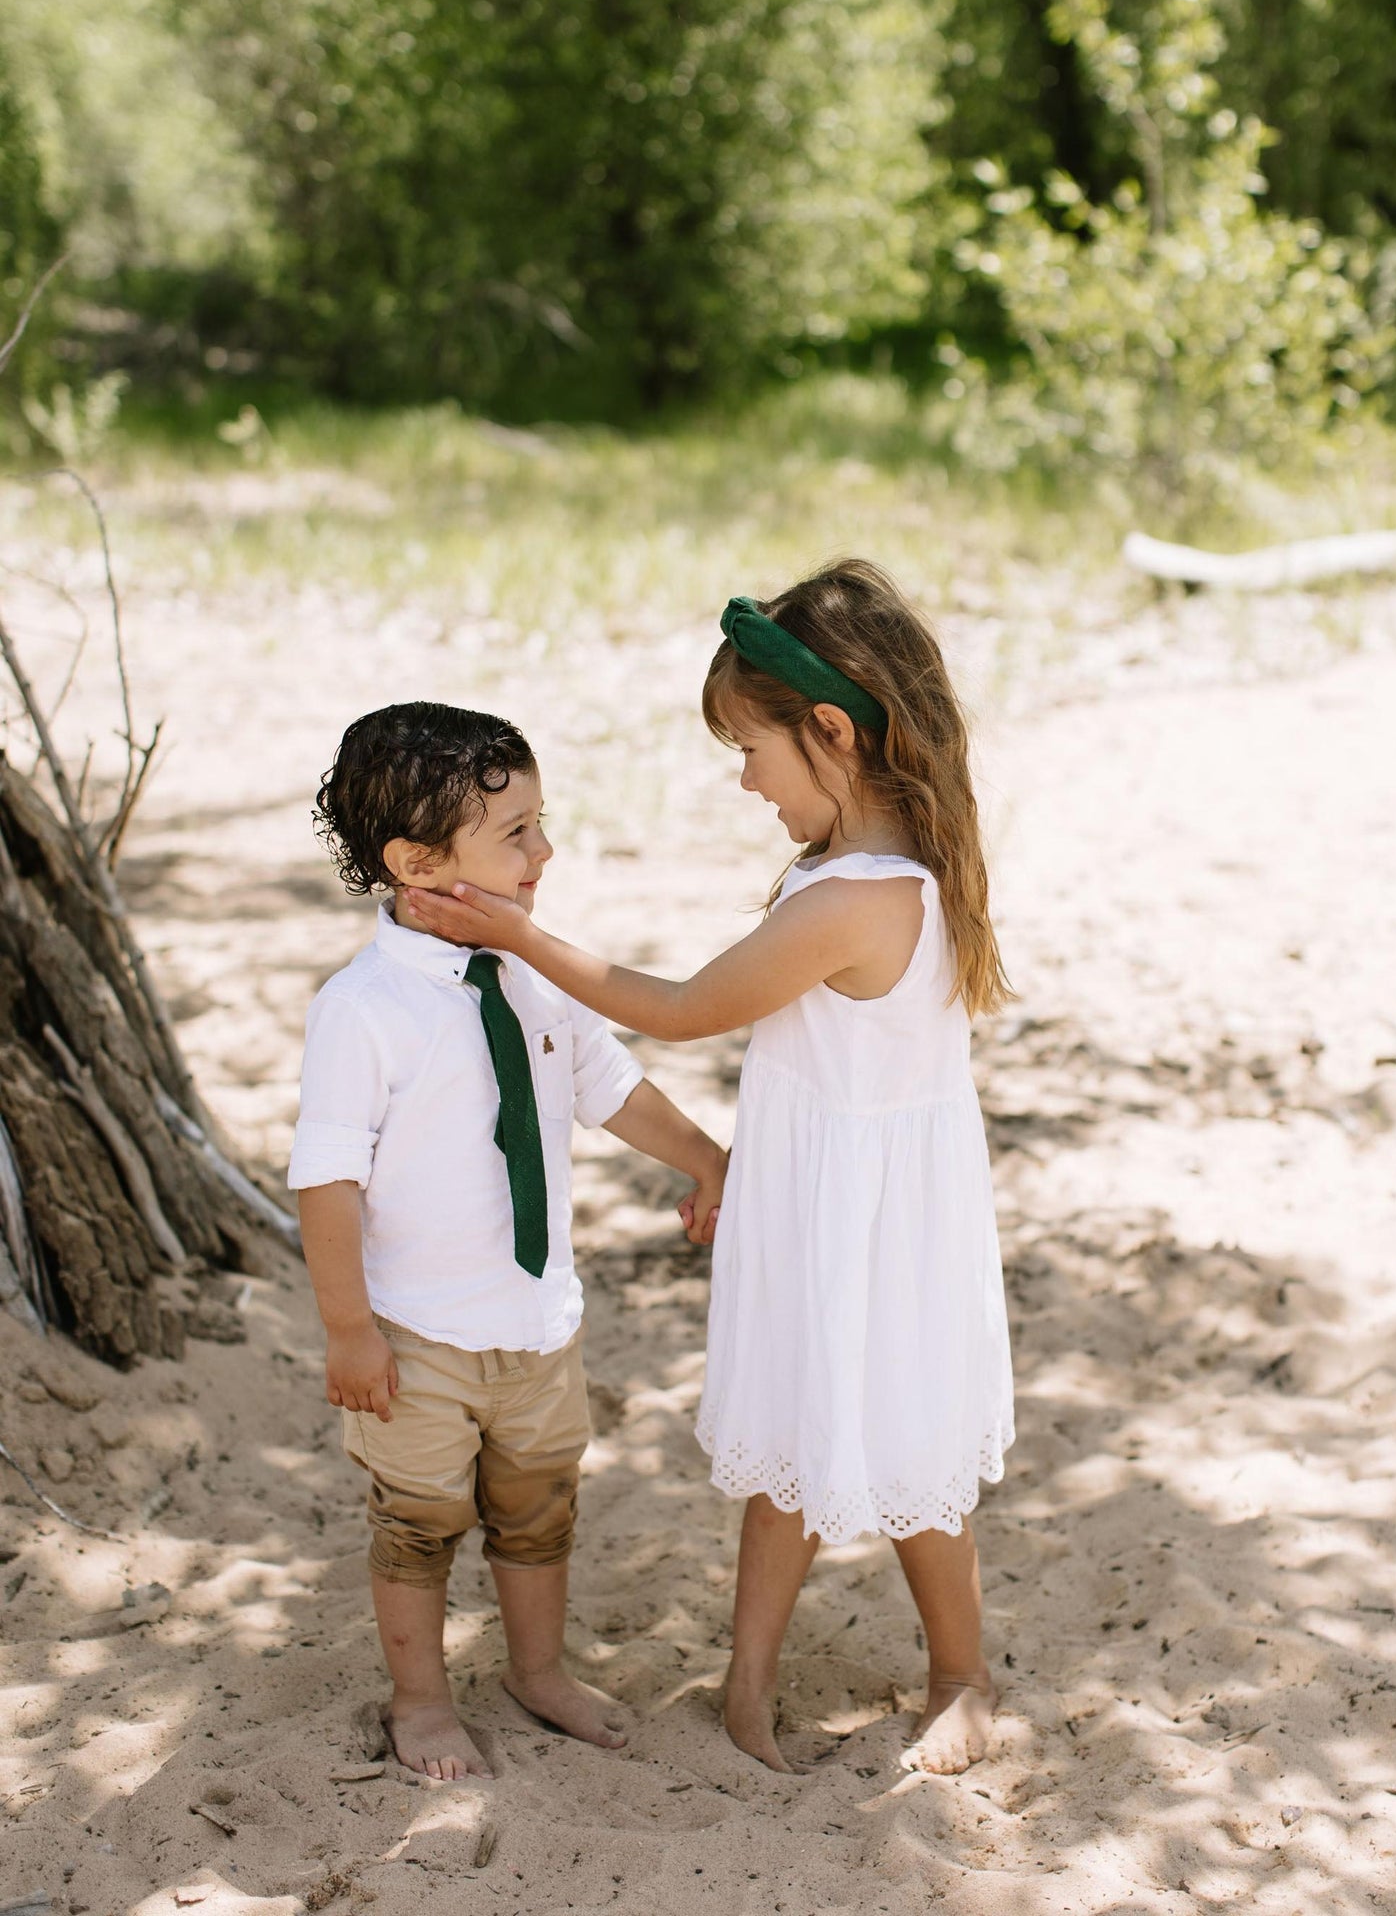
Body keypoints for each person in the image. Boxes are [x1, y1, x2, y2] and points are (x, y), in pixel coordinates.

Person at [408, 560, 1015, 1776]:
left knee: (910, 1443)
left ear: (829, 731)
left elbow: (678, 1008)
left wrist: (514, 928)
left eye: (751, 747)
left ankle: (961, 1671)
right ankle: (746, 1684)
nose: (744, 777)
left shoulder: (864, 897)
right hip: (818, 1196)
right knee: (791, 1430)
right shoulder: (865, 859)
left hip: (873, 1223)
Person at [289, 701, 728, 1781]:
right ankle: (420, 1697)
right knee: (420, 1521)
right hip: (419, 1333)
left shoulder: (534, 967)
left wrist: (706, 1157)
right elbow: (326, 1180)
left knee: (539, 1509)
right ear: (416, 862)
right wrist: (350, 1328)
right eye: (516, 832)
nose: (545, 850)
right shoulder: (364, 1008)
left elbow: (608, 1084)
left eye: (541, 821)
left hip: (537, 1323)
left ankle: (537, 1669)